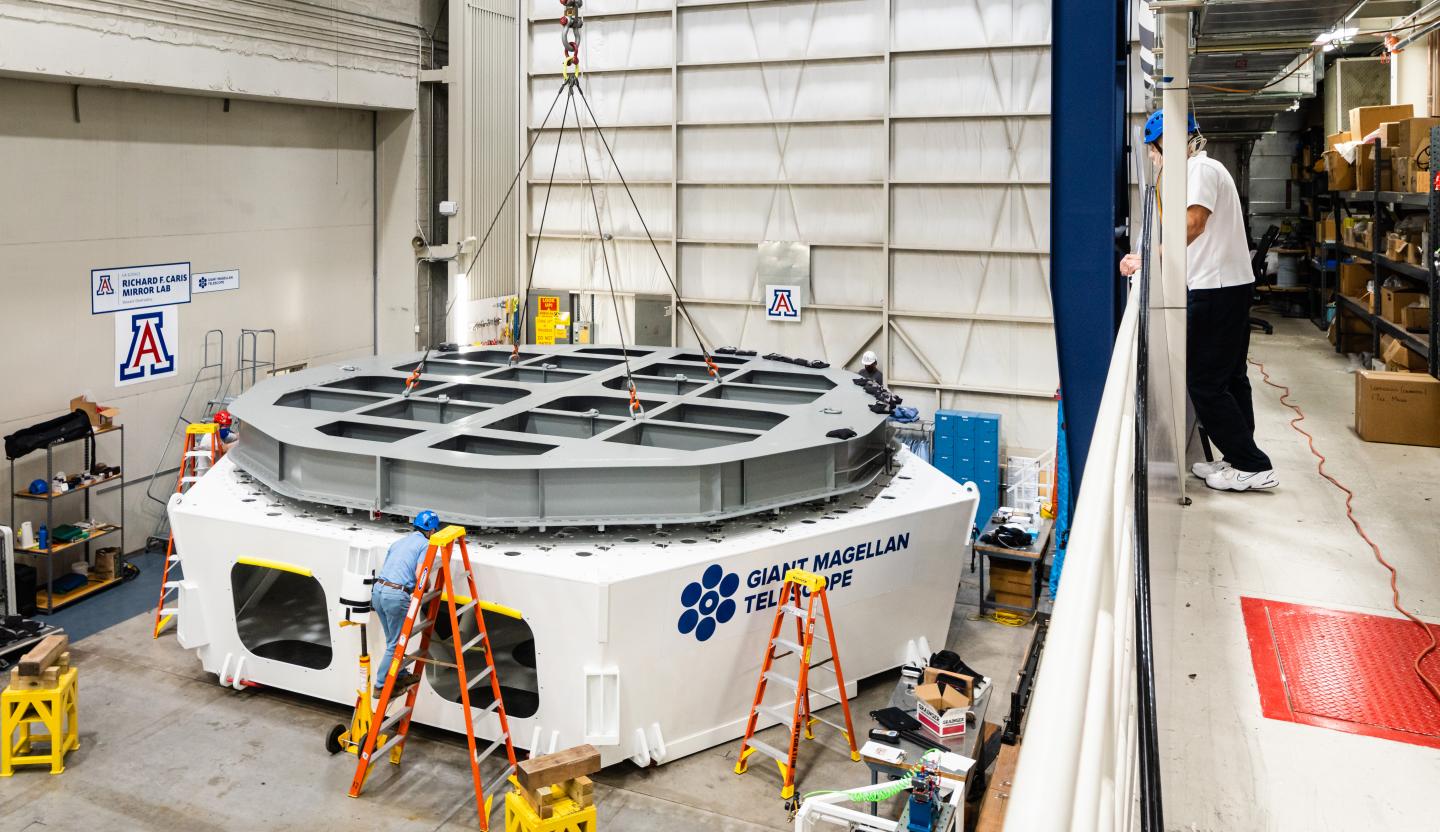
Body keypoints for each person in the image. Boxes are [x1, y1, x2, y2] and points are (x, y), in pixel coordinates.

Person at [1120, 110, 1277, 492]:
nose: (1154, 159)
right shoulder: (1203, 171)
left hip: (1217, 289)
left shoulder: (1200, 171)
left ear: (1168, 143)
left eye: (1155, 151)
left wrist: (1148, 256)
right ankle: (1239, 457)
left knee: (1204, 381)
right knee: (1231, 377)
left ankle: (1252, 464)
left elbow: (1193, 224)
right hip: (1228, 286)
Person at [371, 510, 441, 698]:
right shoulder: (426, 545)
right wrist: (426, 586)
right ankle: (380, 686)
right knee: (395, 644)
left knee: (392, 641)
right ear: (432, 530)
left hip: (378, 591)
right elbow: (421, 575)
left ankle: (400, 674)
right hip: (395, 596)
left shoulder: (398, 542)